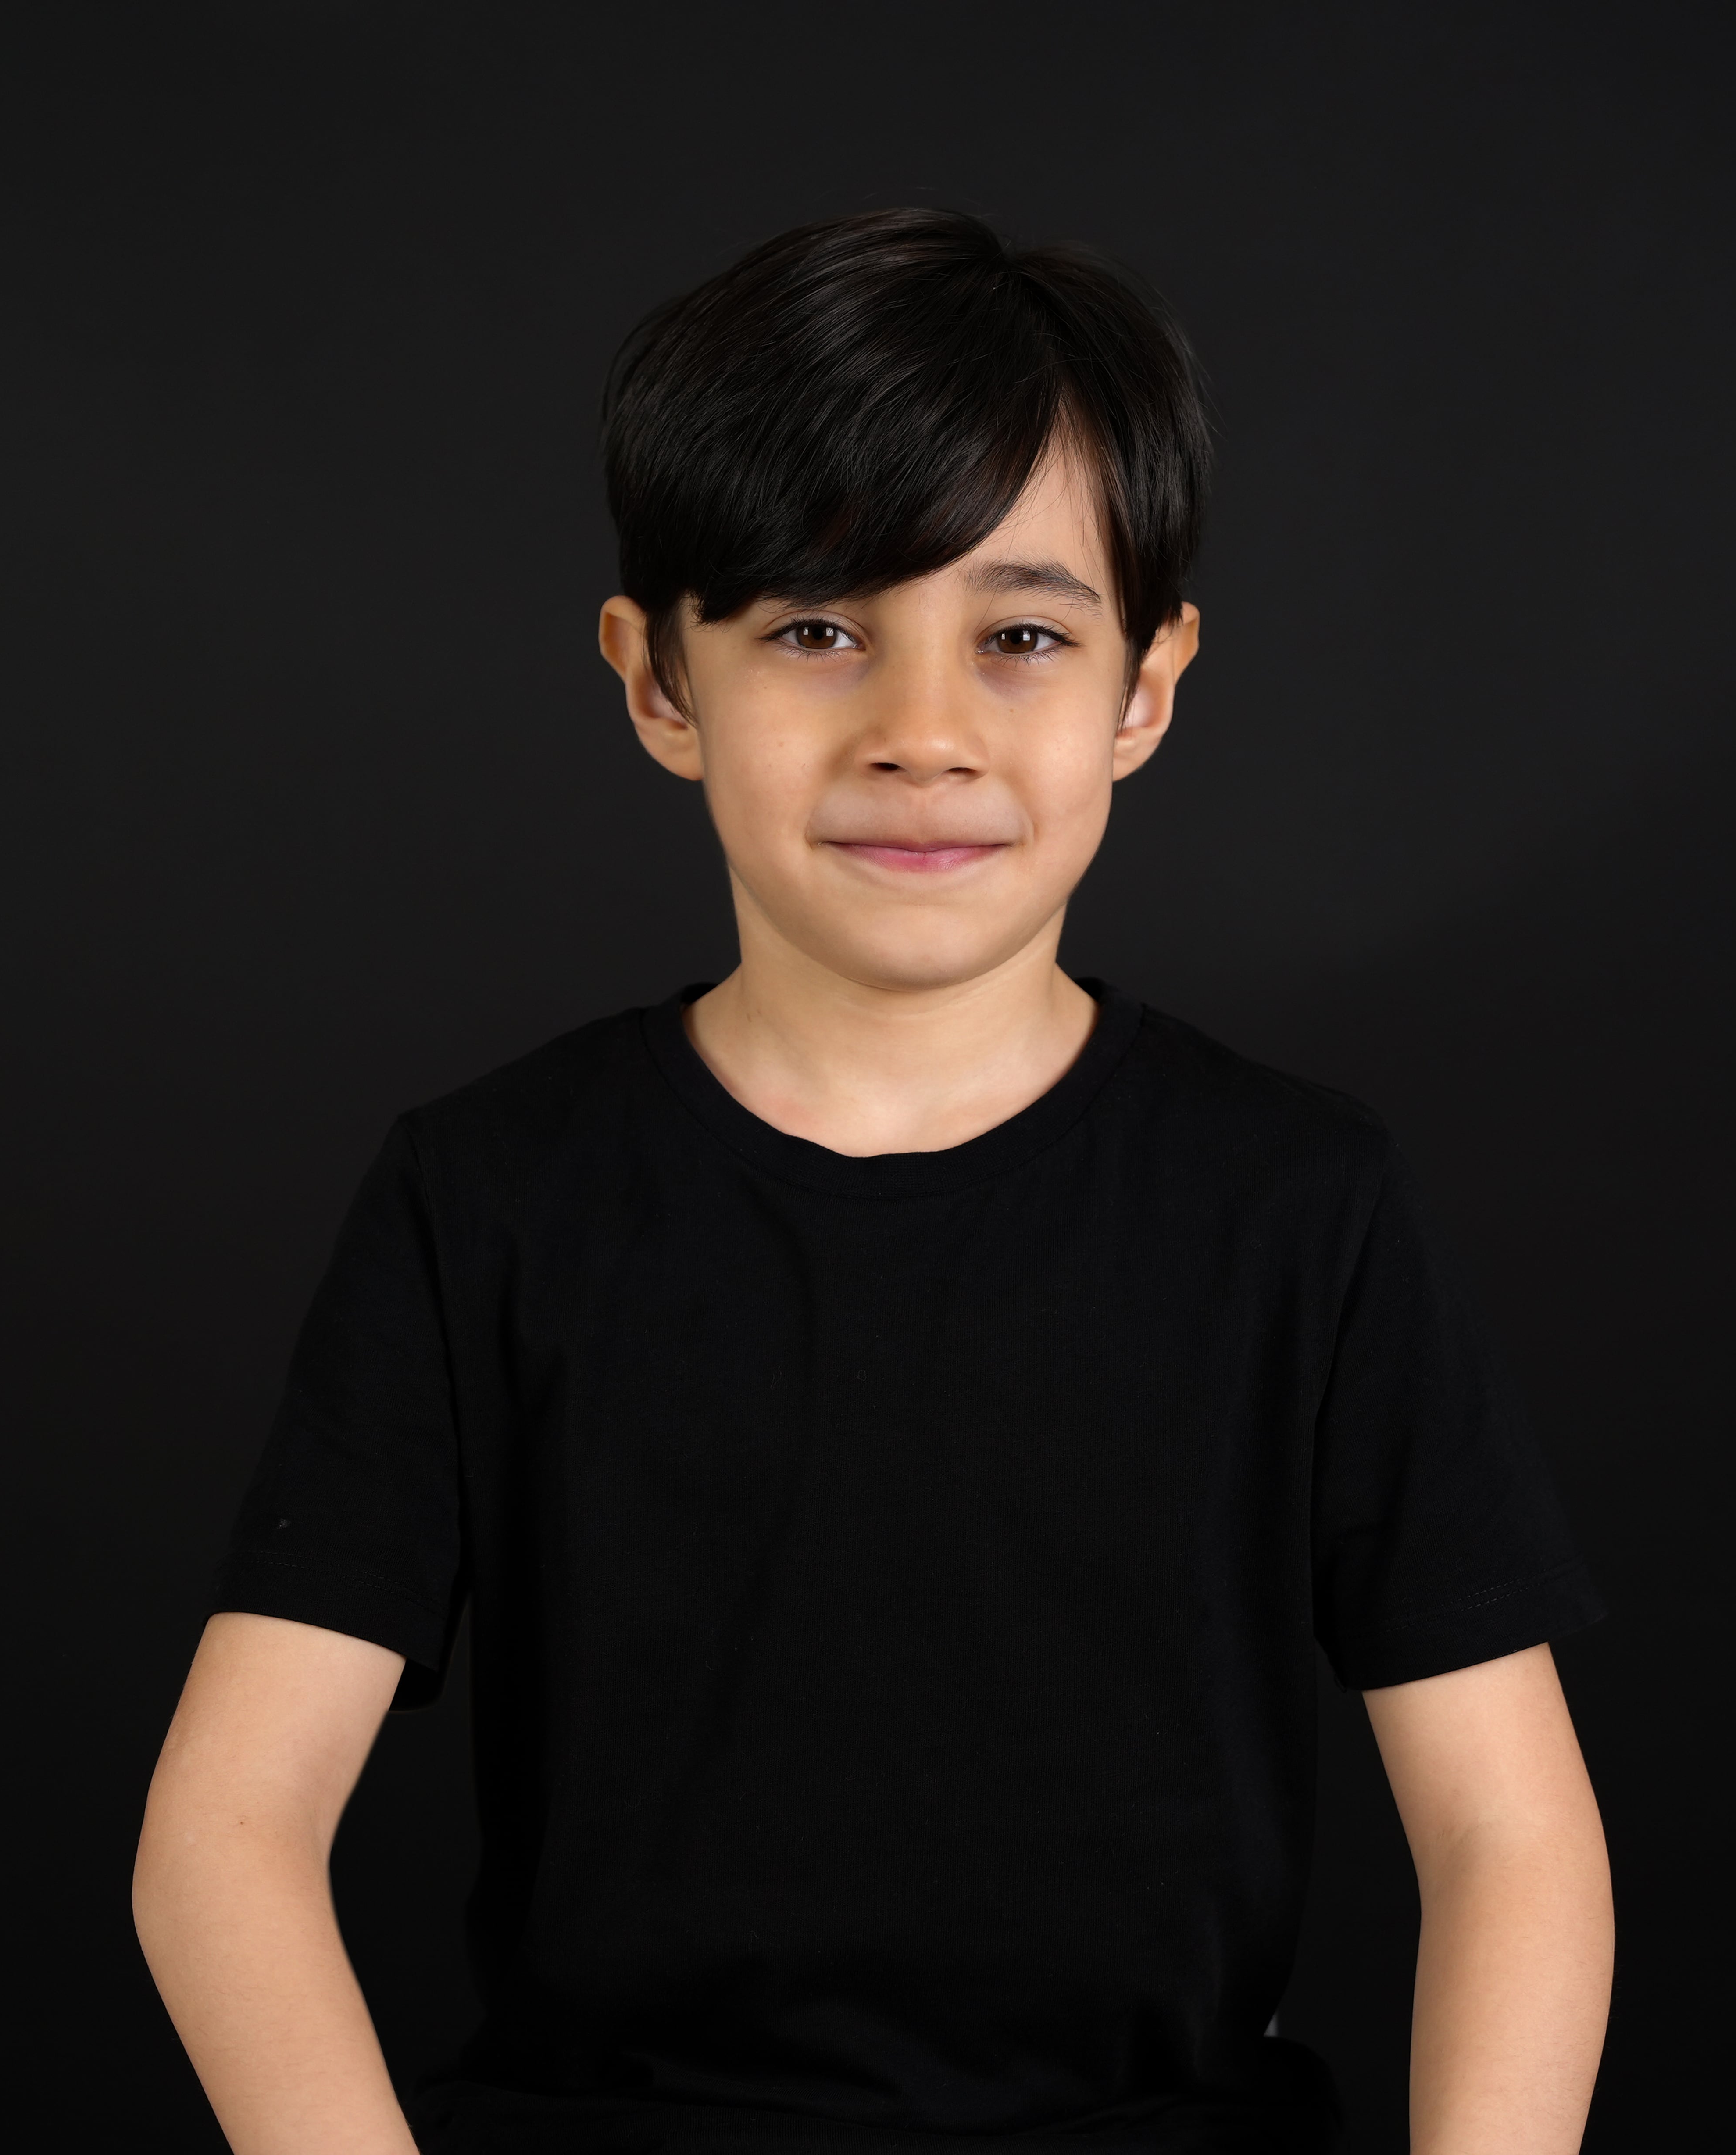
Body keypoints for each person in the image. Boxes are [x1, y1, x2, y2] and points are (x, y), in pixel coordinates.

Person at [133, 208, 1613, 2155]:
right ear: (660, 681)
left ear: (1147, 686)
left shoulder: (1300, 1207)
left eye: (1021, 638)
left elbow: (1512, 1837)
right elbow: (226, 1833)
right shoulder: (487, 1196)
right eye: (818, 630)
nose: (923, 736)